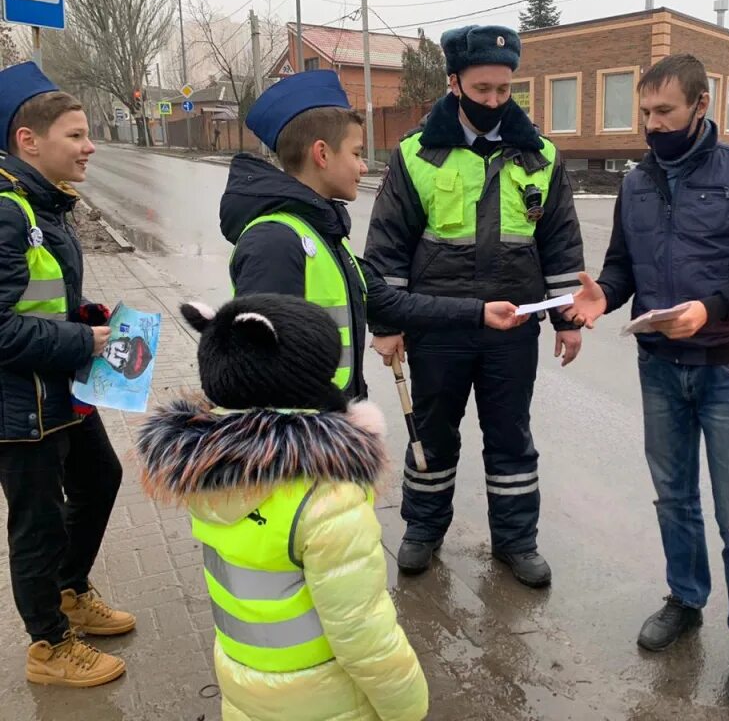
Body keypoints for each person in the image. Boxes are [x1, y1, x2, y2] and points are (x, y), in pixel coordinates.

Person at [564, 53, 729, 705]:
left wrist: (712, 309)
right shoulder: (637, 183)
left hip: (726, 369)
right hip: (659, 369)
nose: (650, 124)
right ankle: (686, 600)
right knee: (673, 498)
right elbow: (622, 268)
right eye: (644, 112)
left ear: (700, 105)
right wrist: (601, 297)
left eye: (663, 111)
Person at [364, 25, 585, 587]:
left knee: (511, 434)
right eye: (482, 88)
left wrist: (567, 318)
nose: (492, 101)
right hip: (439, 326)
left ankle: (515, 541)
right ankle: (423, 531)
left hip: (513, 328)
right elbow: (387, 244)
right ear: (454, 82)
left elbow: (559, 241)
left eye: (503, 91)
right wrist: (388, 323)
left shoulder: (539, 156)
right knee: (433, 433)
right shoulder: (416, 153)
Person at [138, 294, 429, 721]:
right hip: (324, 699)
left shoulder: (208, 474)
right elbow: (362, 633)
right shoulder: (327, 498)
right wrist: (409, 707)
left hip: (244, 685)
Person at [220, 69, 524, 406]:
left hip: (330, 430)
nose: (363, 167)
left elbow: (392, 303)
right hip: (303, 444)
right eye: (356, 153)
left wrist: (481, 312)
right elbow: (259, 374)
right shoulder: (276, 241)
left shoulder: (321, 234)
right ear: (322, 154)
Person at [0, 62, 135, 689]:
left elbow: (38, 298)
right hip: (19, 404)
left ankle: (71, 591)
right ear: (29, 141)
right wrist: (82, 338)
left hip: (59, 389)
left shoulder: (43, 204)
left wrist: (86, 319)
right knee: (38, 521)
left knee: (100, 477)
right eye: (76, 135)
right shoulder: (7, 211)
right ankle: (48, 646)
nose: (90, 146)